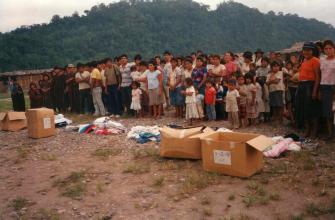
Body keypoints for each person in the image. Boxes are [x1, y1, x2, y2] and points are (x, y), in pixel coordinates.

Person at [295, 42, 321, 138]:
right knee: (304, 108)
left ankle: (315, 130)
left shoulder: (316, 60)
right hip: (302, 85)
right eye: (304, 50)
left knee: (312, 109)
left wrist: (314, 91)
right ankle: (308, 129)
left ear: (312, 51)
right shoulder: (304, 60)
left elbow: (318, 77)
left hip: (310, 85)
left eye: (308, 50)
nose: (306, 52)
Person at [320, 40, 335, 140]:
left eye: (330, 48)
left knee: (334, 111)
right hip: (324, 87)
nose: (328, 50)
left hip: (333, 87)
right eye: (326, 48)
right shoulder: (322, 60)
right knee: (327, 112)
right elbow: (321, 75)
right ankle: (330, 134)